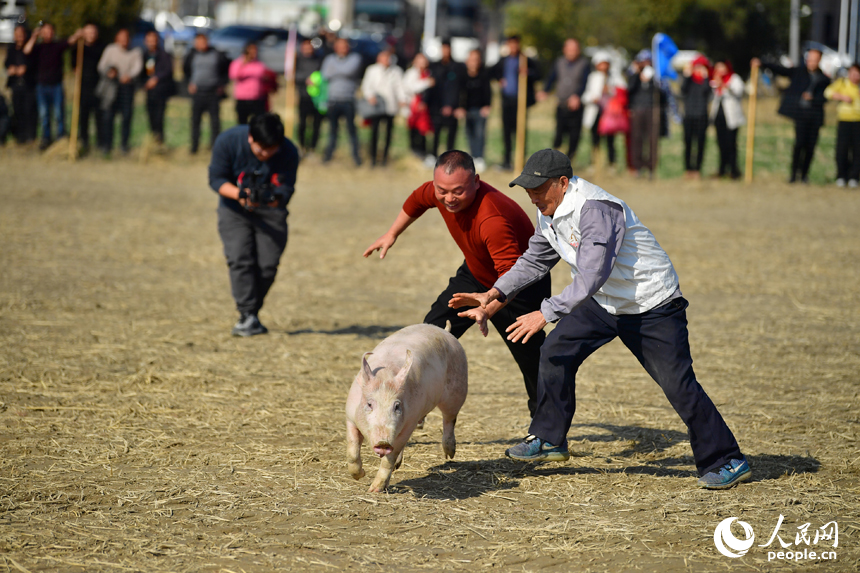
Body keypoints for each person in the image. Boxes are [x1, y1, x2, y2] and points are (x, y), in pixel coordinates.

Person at [452, 148, 750, 490]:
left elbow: (592, 274)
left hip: (649, 304)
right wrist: (495, 293)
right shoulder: (548, 211)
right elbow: (534, 259)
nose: (531, 197)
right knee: (555, 352)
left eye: (538, 189)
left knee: (678, 386)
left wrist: (545, 313)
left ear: (563, 183)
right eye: (528, 190)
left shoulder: (596, 209)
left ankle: (727, 459)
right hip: (604, 302)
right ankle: (550, 438)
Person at [363, 150, 551, 416]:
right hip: (477, 272)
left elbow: (513, 277)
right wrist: (392, 233)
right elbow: (417, 200)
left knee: (533, 360)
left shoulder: (492, 219)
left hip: (520, 287)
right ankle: (404, 408)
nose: (448, 198)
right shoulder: (440, 190)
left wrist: (486, 308)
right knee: (427, 336)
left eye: (458, 191)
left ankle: (546, 429)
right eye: (442, 190)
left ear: (476, 181)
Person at [208, 112, 300, 336]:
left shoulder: (289, 151)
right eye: (261, 150)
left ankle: (251, 312)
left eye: (272, 149)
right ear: (250, 138)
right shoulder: (228, 141)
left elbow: (286, 189)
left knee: (267, 265)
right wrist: (240, 194)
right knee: (240, 258)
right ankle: (247, 314)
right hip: (234, 209)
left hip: (271, 213)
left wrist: (273, 197)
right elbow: (216, 179)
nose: (266, 154)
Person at [752, 50, 830, 183]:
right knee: (799, 144)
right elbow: (781, 70)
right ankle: (794, 175)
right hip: (801, 115)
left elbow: (826, 97)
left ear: (819, 61)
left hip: (815, 117)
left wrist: (814, 98)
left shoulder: (824, 79)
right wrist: (762, 63)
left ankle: (804, 175)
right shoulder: (799, 72)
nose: (811, 62)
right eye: (809, 59)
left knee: (810, 147)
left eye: (814, 60)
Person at [23, 22, 83, 149]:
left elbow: (70, 42)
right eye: (45, 31)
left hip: (56, 86)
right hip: (41, 86)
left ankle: (61, 138)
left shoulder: (58, 45)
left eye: (50, 30)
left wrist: (78, 34)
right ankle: (46, 138)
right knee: (44, 114)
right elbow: (26, 51)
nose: (48, 33)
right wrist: (34, 37)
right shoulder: (38, 47)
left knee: (58, 114)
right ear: (42, 33)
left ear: (53, 32)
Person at [491, 35, 540, 170]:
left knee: (520, 131)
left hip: (521, 102)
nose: (512, 47)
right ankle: (507, 160)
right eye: (510, 44)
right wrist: (499, 79)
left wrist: (528, 72)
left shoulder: (526, 60)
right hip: (507, 102)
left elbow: (538, 74)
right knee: (506, 132)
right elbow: (491, 71)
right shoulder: (503, 61)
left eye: (515, 44)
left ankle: (521, 161)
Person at [539, 38, 590, 163]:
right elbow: (552, 78)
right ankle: (555, 161)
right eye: (569, 49)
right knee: (559, 133)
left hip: (577, 105)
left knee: (574, 135)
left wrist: (577, 96)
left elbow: (585, 83)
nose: (572, 52)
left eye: (574, 49)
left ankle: (570, 160)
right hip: (561, 104)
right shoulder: (559, 62)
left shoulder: (584, 64)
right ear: (564, 50)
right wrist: (545, 90)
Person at [97, 28, 142, 154]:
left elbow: (137, 67)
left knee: (126, 117)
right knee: (108, 117)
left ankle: (124, 145)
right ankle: (107, 145)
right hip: (111, 87)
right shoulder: (110, 49)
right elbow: (101, 66)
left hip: (127, 88)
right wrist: (110, 72)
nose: (124, 41)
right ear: (117, 39)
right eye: (121, 38)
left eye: (126, 38)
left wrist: (129, 76)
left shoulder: (135, 52)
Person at [184, 33, 229, 154]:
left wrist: (222, 85)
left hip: (213, 93)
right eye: (198, 41)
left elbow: (225, 71)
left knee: (215, 122)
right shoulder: (191, 55)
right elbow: (186, 71)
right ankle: (194, 147)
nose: (201, 44)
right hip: (198, 93)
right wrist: (189, 83)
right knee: (195, 121)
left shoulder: (217, 54)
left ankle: (215, 146)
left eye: (203, 41)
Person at [321, 37, 363, 166]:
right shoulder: (329, 59)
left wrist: (334, 70)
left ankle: (356, 157)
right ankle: (328, 156)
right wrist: (338, 71)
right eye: (340, 46)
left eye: (345, 46)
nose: (342, 48)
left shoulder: (355, 58)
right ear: (335, 47)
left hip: (348, 100)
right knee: (332, 130)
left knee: (351, 130)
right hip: (333, 99)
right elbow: (324, 74)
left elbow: (349, 70)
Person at [627, 50, 667, 177]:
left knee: (652, 139)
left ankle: (651, 168)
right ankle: (637, 166)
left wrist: (655, 79)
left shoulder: (656, 76)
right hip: (637, 109)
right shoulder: (634, 75)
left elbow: (662, 94)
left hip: (652, 109)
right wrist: (636, 74)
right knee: (637, 138)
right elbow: (629, 89)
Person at [360, 49, 403, 166]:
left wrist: (402, 100)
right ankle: (373, 158)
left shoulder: (396, 71)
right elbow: (366, 85)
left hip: (390, 106)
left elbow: (399, 87)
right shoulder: (372, 70)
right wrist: (370, 96)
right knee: (374, 132)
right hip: (376, 106)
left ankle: (384, 158)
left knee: (388, 133)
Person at [581, 51, 622, 168]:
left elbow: (620, 92)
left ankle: (611, 163)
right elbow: (586, 95)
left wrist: (610, 91)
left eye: (606, 64)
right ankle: (594, 162)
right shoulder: (592, 77)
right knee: (595, 139)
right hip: (595, 112)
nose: (604, 67)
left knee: (610, 140)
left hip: (609, 113)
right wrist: (593, 98)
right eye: (601, 64)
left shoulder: (614, 77)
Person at [456, 49, 492, 173]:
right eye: (471, 60)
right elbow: (460, 93)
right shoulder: (462, 75)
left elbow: (488, 91)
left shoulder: (484, 74)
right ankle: (472, 157)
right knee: (469, 134)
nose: (474, 62)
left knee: (480, 134)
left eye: (476, 60)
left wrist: (487, 105)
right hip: (467, 110)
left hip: (480, 110)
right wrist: (460, 107)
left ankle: (480, 157)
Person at [824, 63, 860, 187]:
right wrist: (842, 97)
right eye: (853, 72)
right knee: (842, 149)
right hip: (844, 120)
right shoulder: (842, 83)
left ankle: (854, 177)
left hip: (858, 122)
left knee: (857, 150)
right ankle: (841, 176)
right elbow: (828, 92)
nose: (855, 76)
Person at [428, 40, 464, 159]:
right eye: (443, 49)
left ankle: (449, 159)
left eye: (447, 49)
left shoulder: (458, 67)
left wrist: (453, 105)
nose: (445, 51)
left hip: (452, 107)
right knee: (435, 134)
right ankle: (433, 156)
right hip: (436, 107)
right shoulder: (434, 66)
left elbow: (458, 89)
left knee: (451, 136)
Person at [710, 61, 745, 180]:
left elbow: (739, 91)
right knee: (721, 144)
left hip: (731, 118)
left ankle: (734, 170)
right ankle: (722, 169)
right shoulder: (715, 79)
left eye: (721, 66)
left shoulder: (734, 79)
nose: (719, 69)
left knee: (731, 144)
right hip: (719, 117)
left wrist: (725, 85)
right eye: (717, 67)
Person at [4, 24, 38, 144]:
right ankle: (19, 137)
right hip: (15, 85)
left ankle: (30, 137)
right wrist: (11, 69)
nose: (19, 36)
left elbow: (29, 57)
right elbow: (7, 63)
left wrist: (25, 68)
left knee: (30, 111)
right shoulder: (11, 48)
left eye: (21, 34)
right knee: (17, 111)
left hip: (28, 85)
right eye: (17, 34)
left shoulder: (31, 48)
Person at [229, 42, 277, 125]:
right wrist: (244, 63)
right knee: (242, 124)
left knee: (259, 123)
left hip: (257, 98)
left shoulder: (259, 64)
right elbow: (234, 75)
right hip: (242, 99)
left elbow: (265, 76)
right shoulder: (238, 63)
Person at [141, 30, 175, 145]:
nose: (151, 43)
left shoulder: (164, 54)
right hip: (149, 92)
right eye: (149, 40)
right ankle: (153, 141)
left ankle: (160, 143)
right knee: (150, 118)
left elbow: (168, 71)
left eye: (153, 40)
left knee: (159, 118)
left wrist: (156, 79)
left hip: (161, 91)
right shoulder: (145, 55)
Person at [680, 56, 712, 179]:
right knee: (688, 143)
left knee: (700, 144)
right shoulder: (689, 80)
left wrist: (705, 77)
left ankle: (697, 169)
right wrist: (687, 76)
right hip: (689, 116)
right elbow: (683, 90)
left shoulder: (705, 81)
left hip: (701, 116)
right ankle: (688, 169)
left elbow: (707, 92)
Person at [401, 53, 435, 158]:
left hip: (425, 108)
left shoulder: (428, 73)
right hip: (413, 106)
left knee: (424, 130)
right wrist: (426, 83)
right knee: (414, 130)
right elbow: (410, 87)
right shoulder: (411, 73)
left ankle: (423, 152)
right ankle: (414, 151)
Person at [295, 38, 323, 154]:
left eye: (310, 47)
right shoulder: (297, 60)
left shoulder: (319, 60)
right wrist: (305, 79)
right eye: (305, 47)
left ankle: (313, 147)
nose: (308, 49)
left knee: (316, 123)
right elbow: (293, 76)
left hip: (317, 97)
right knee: (302, 123)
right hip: (304, 96)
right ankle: (302, 145)